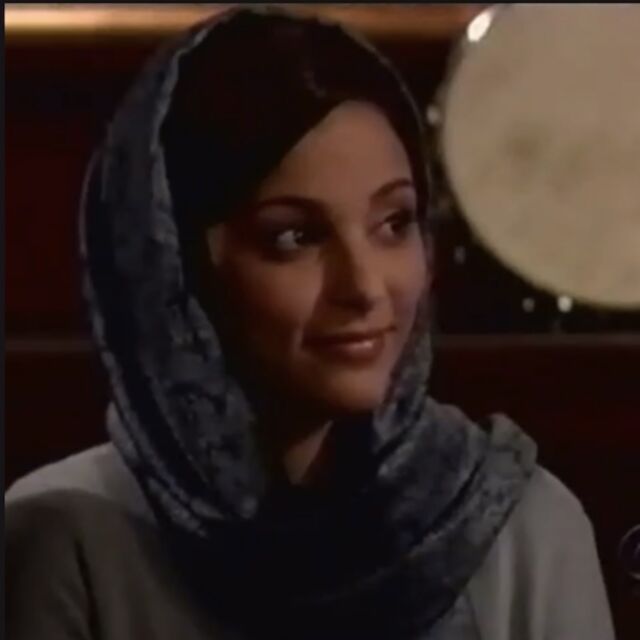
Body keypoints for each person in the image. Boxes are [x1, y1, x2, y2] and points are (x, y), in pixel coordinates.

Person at [5, 7, 615, 640]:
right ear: (174, 265)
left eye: (394, 223)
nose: (365, 287)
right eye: (294, 237)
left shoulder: (518, 527)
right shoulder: (66, 537)